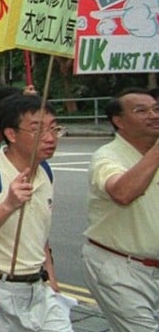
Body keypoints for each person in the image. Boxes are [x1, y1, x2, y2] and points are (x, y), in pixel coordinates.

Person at [0, 95, 71, 332]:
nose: (50, 138)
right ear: (11, 134)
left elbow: (41, 235)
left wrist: (51, 279)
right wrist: (8, 204)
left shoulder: (45, 171)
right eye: (38, 130)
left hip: (40, 290)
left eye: (54, 128)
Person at [82, 87, 159, 331]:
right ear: (119, 121)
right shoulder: (106, 157)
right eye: (141, 111)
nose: (153, 115)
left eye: (156, 109)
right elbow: (123, 192)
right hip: (121, 269)